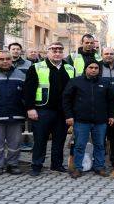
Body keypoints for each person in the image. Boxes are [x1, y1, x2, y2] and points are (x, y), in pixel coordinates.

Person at [24, 42, 76, 176]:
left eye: (60, 50)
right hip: (42, 110)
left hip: (62, 112)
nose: (57, 53)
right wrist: (30, 108)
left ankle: (57, 165)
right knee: (40, 139)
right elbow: (28, 90)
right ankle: (36, 165)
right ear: (48, 52)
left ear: (63, 53)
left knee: (59, 140)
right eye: (54, 50)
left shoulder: (70, 68)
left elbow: (74, 92)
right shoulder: (36, 67)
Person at [63, 62, 114, 178]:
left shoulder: (105, 82)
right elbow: (66, 99)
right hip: (81, 120)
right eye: (91, 67)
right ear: (85, 69)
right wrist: (69, 116)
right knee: (80, 145)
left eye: (96, 68)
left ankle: (99, 167)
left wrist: (112, 115)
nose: (93, 70)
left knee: (100, 145)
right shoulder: (75, 82)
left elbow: (111, 101)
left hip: (100, 121)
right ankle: (78, 168)